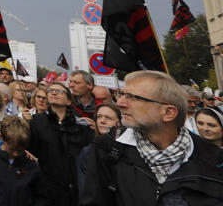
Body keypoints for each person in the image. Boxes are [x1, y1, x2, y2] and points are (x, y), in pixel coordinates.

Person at [81, 70, 223, 205]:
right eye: (122, 94)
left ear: (168, 112)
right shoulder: (107, 149)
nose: (120, 103)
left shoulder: (212, 156)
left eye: (132, 97)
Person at [27, 82, 93, 206]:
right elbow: (30, 152)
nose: (53, 92)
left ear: (69, 101)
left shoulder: (81, 125)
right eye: (50, 90)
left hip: (74, 189)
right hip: (46, 190)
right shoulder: (36, 122)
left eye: (59, 91)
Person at [0, 116, 46, 206]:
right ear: (1, 137)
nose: (16, 154)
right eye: (12, 149)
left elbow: (40, 195)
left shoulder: (31, 165)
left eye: (20, 150)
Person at [76, 102, 122, 191]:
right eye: (99, 117)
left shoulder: (128, 150)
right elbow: (85, 188)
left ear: (120, 123)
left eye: (108, 118)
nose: (102, 121)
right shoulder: (88, 151)